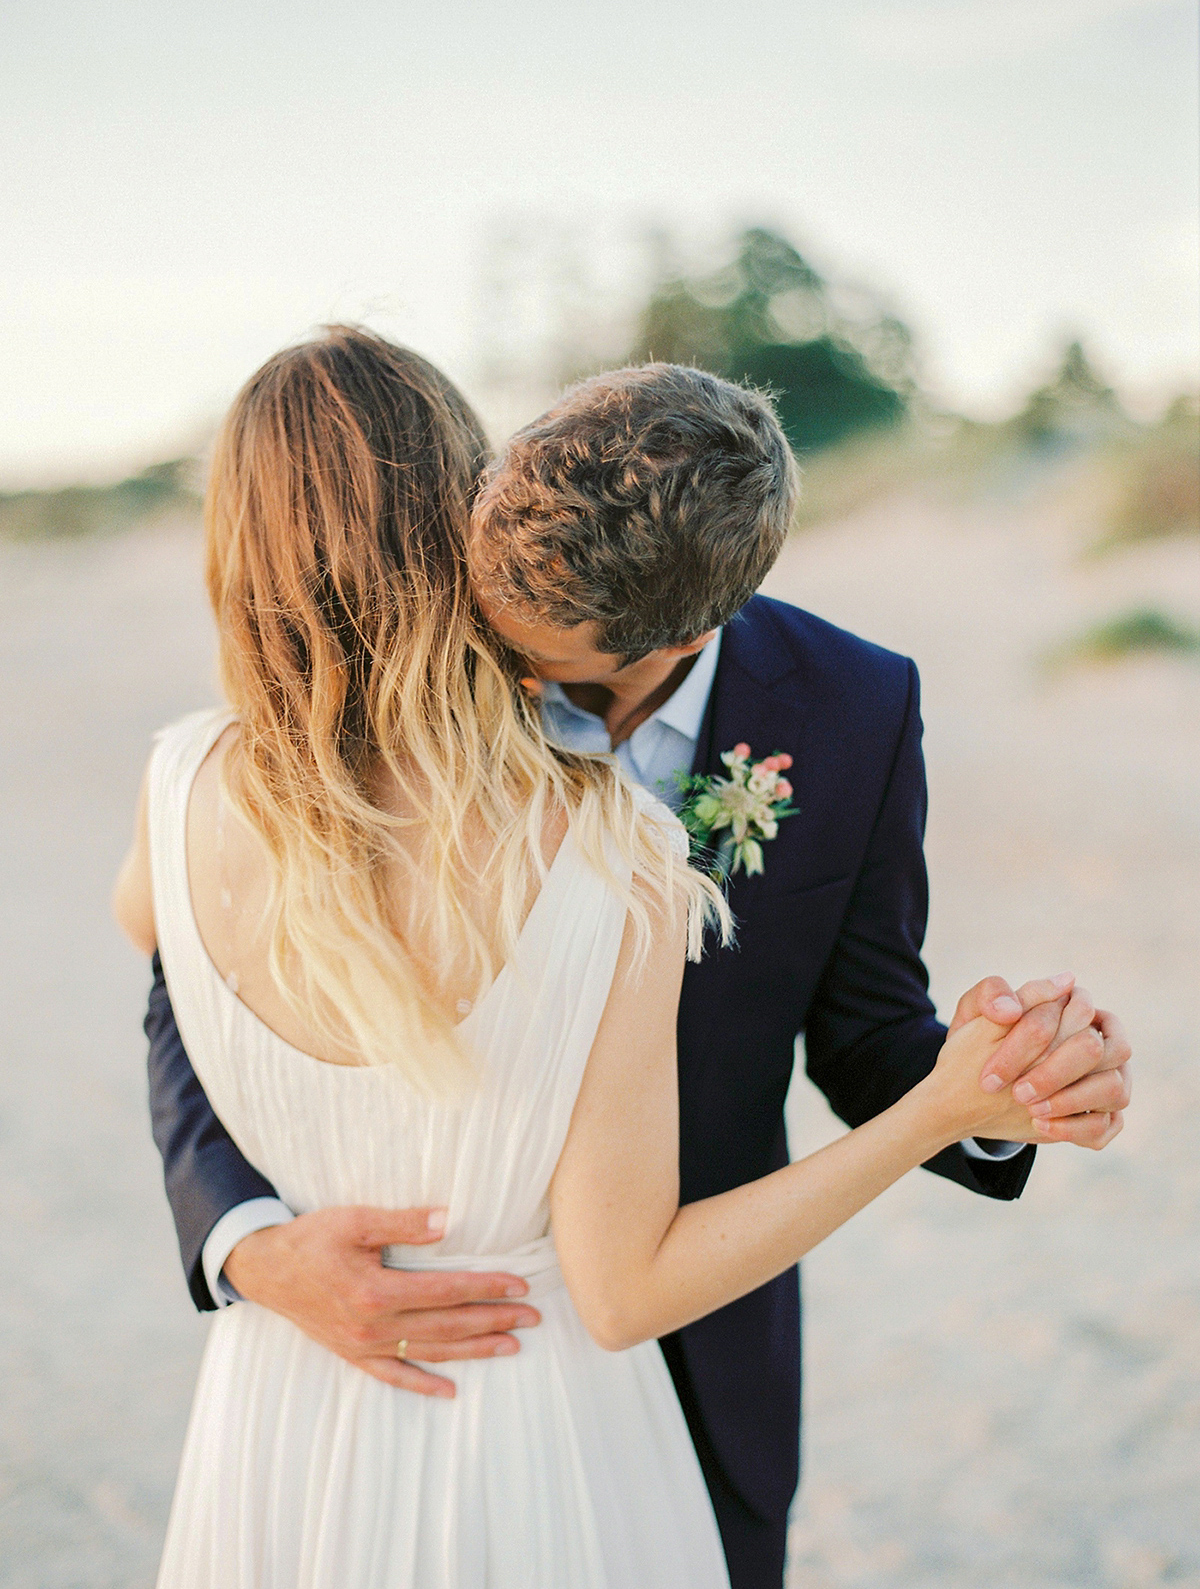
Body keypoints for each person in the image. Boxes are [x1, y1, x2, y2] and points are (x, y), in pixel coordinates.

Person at [126, 339, 1132, 1589]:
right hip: (390, 1329)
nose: (511, 673)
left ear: (697, 623)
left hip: (703, 1339)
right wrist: (242, 1237)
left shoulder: (855, 707)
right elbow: (194, 964)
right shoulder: (442, 628)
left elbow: (871, 1031)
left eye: (554, 665)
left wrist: (999, 1088)